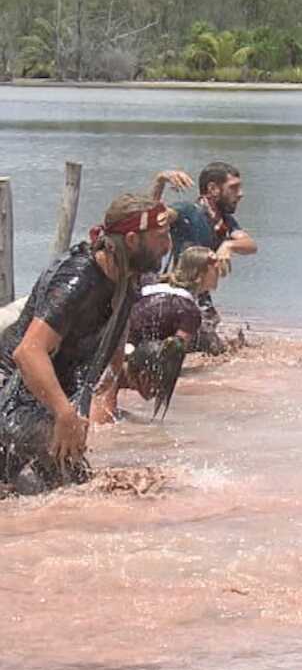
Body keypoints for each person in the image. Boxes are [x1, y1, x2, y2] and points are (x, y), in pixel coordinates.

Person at [0, 195, 173, 495]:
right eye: (161, 237)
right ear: (132, 240)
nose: (168, 245)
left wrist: (107, 388)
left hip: (41, 402)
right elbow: (28, 352)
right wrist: (64, 413)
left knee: (63, 489)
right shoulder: (79, 278)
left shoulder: (126, 276)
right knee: (77, 493)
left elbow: (114, 340)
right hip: (11, 392)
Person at [92, 245, 221, 423]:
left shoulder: (154, 283)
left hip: (108, 340)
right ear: (200, 274)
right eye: (215, 269)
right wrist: (159, 387)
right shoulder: (189, 311)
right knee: (105, 409)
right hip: (124, 355)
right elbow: (174, 353)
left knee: (106, 388)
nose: (220, 272)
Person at [155, 162, 256, 352]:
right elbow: (151, 220)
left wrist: (229, 245)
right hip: (177, 293)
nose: (240, 194)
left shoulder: (225, 220)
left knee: (216, 342)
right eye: (233, 187)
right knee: (210, 347)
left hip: (200, 296)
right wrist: (160, 182)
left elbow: (251, 245)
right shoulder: (186, 211)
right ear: (213, 189)